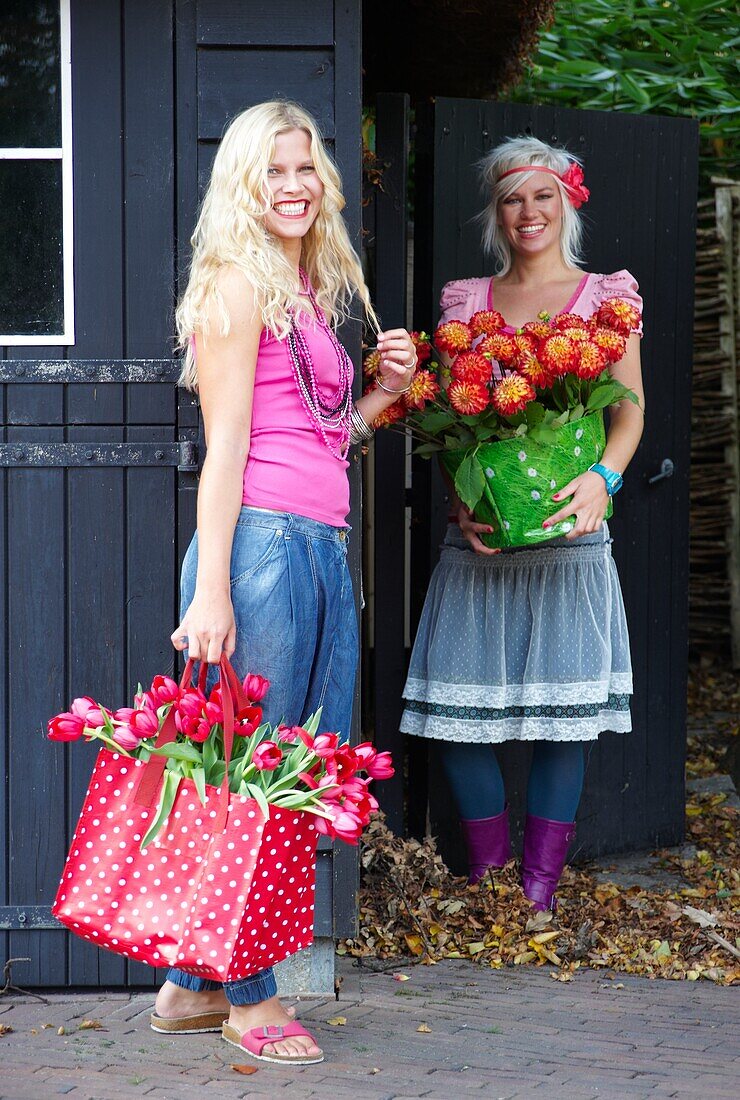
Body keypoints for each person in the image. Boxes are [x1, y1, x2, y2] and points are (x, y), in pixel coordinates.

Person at [151, 100, 417, 1065]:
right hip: (258, 550)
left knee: (298, 775)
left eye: (306, 168)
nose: (295, 186)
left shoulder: (304, 289)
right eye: (274, 171)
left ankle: (190, 984)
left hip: (316, 545)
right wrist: (211, 589)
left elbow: (317, 439)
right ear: (242, 184)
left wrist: (383, 393)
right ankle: (252, 999)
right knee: (253, 781)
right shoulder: (233, 285)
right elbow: (224, 452)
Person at [400, 135, 644, 910]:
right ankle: (490, 884)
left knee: (563, 724)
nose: (528, 211)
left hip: (572, 540)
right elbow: (446, 417)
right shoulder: (465, 301)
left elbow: (630, 412)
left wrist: (604, 480)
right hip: (480, 545)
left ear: (567, 201)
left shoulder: (606, 296)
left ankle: (536, 894)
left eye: (542, 195)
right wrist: (459, 497)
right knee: (456, 719)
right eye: (512, 198)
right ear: (495, 212)